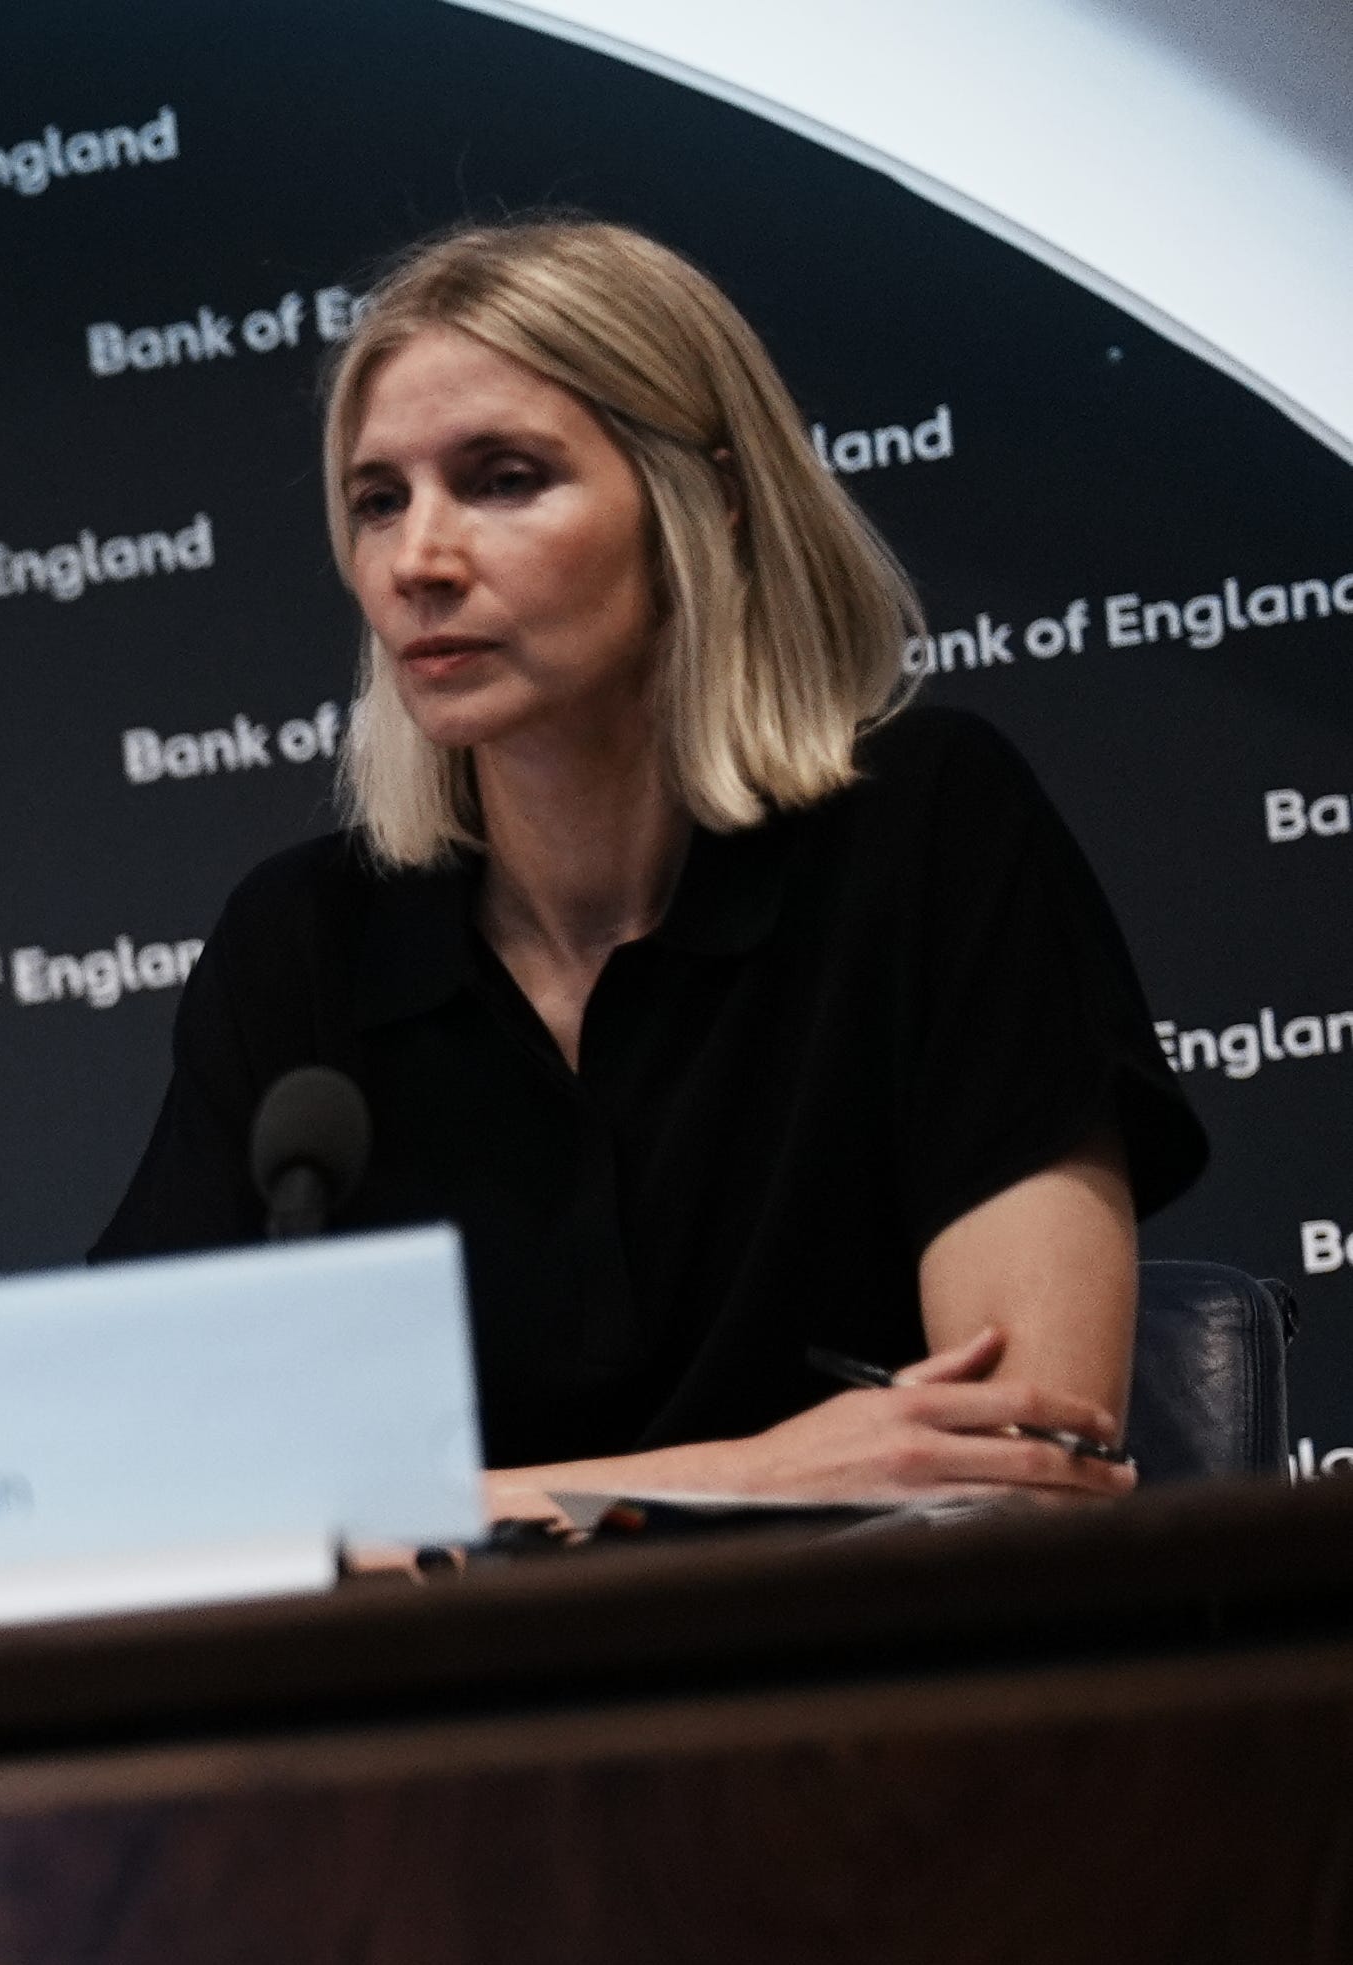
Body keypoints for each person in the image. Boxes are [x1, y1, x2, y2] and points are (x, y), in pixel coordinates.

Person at [97, 218, 1205, 1520]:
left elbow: (1030, 1466)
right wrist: (752, 1476)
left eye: (504, 478)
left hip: (867, 1697)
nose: (418, 560)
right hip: (455, 1717)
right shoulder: (303, 945)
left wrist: (450, 1516)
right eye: (378, 498)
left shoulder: (927, 833)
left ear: (708, 500)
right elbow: (140, 1509)